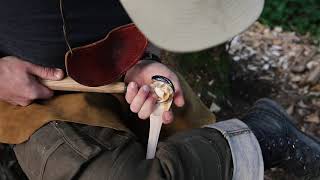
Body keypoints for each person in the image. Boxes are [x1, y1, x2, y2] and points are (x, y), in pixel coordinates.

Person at [0, 0, 319, 180]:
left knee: (182, 127)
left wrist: (137, 60)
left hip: (116, 72)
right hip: (28, 93)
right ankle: (261, 135)